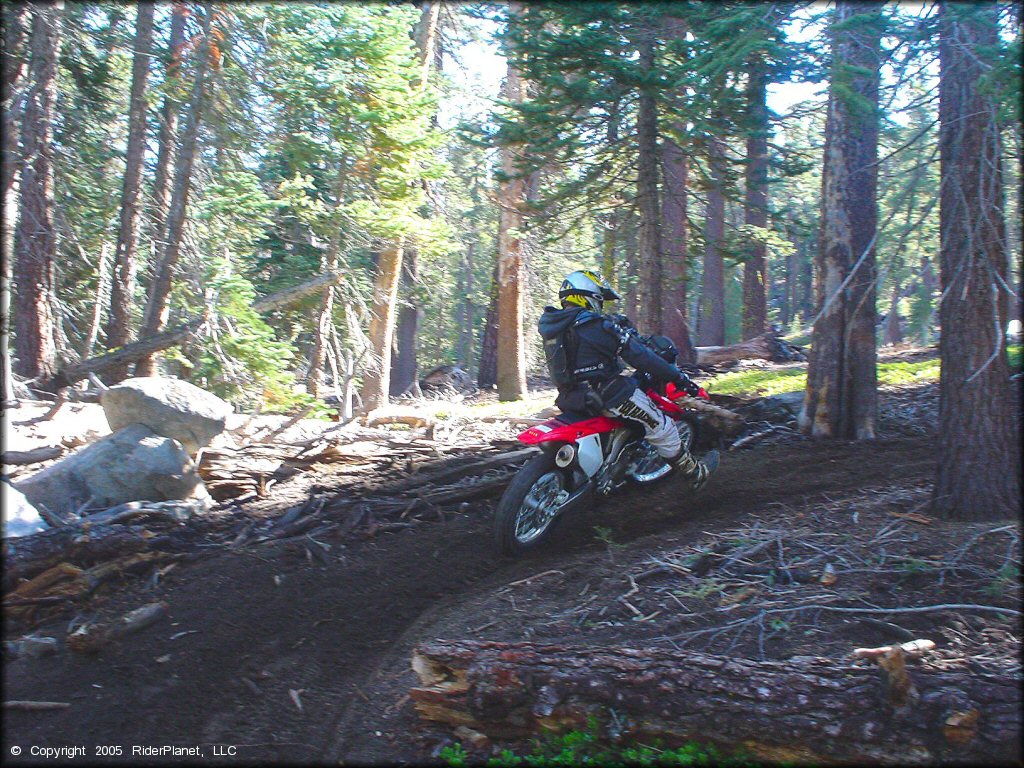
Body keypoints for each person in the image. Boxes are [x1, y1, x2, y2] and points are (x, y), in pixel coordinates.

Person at [538, 269, 719, 491]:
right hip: (610, 395)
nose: (601, 307)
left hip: (572, 396)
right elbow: (640, 356)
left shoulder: (553, 326)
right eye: (599, 300)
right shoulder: (596, 326)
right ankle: (695, 473)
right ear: (587, 297)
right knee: (663, 428)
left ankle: (606, 466)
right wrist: (679, 378)